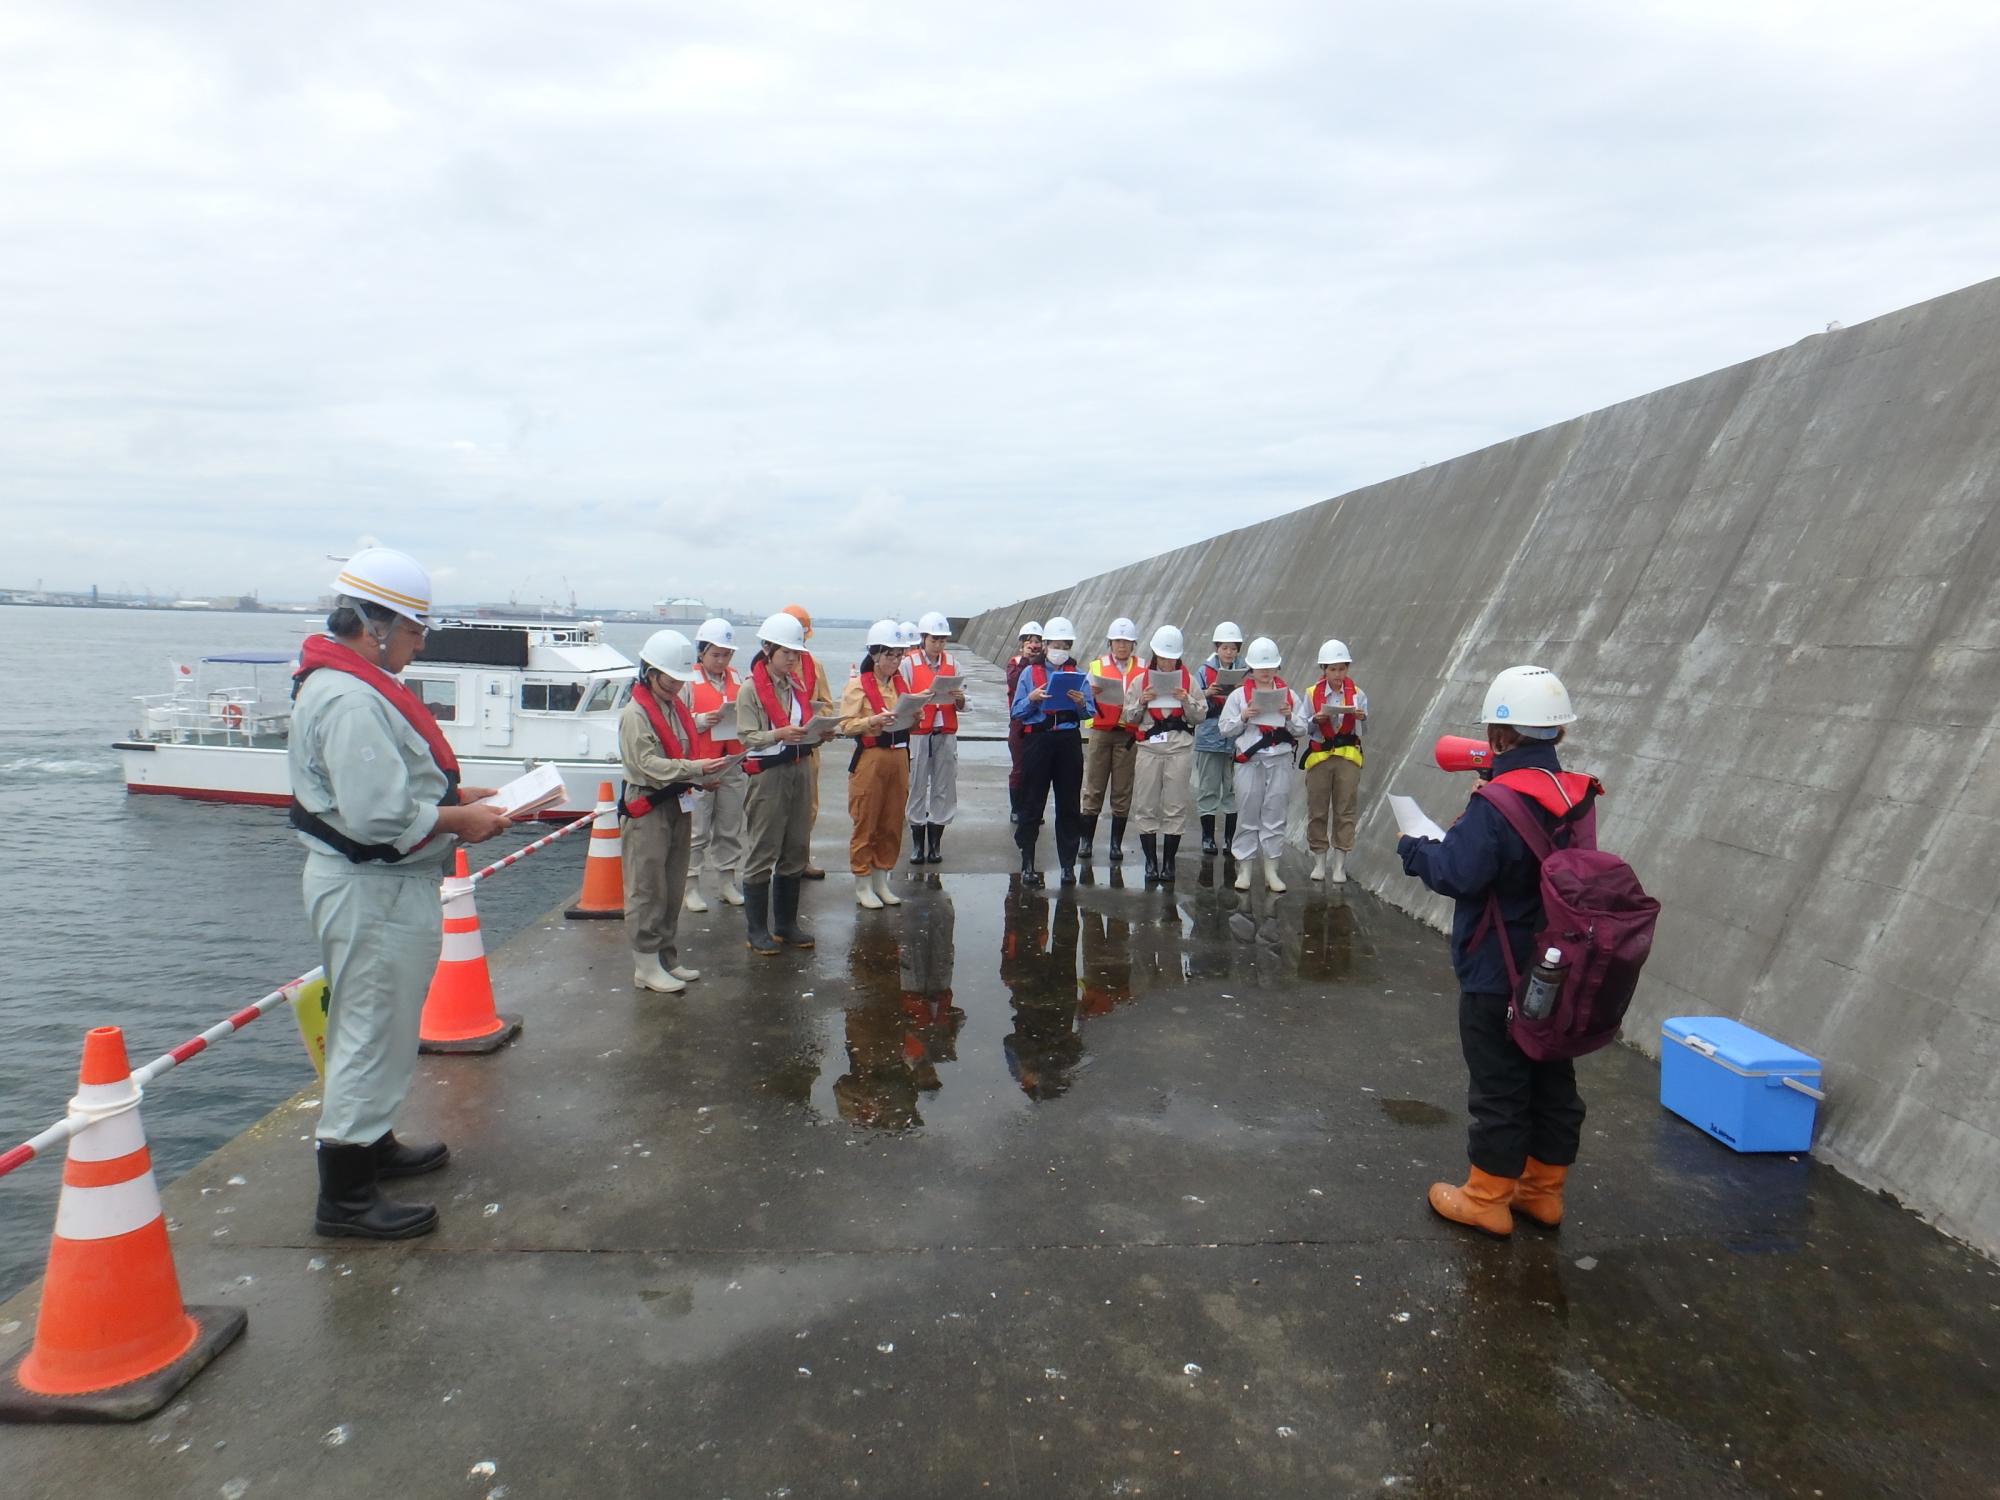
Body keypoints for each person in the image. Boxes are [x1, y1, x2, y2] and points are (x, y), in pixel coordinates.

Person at [288, 547, 514, 1240]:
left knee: (382, 1026)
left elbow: (389, 790)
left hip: (380, 886)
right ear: (374, 626)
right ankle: (347, 1197)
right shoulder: (351, 696)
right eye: (416, 630)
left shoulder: (350, 683)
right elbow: (378, 816)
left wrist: (451, 796)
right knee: (370, 1027)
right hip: (371, 888)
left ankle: (371, 1142)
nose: (421, 644)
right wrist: (460, 819)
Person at [1396, 665, 1595, 1237]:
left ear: (1498, 735)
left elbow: (1459, 873)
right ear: (1556, 733)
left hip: (1497, 967)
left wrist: (1415, 847)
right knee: (1553, 1078)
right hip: (1558, 966)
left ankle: (1486, 1197)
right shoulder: (1576, 794)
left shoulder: (1498, 802)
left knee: (1499, 1084)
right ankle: (1542, 1193)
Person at [621, 629, 731, 993]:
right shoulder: (636, 714)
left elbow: (680, 757)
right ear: (650, 673)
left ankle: (666, 957)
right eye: (670, 679)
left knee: (671, 884)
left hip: (677, 801)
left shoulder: (672, 706)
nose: (675, 686)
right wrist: (697, 769)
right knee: (647, 886)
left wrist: (701, 777)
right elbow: (648, 764)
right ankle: (645, 964)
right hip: (648, 806)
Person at [737, 612, 821, 954]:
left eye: (796, 653)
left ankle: (786, 924)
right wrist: (778, 733)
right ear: (767, 649)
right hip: (769, 773)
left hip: (799, 767)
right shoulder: (749, 690)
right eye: (786, 652)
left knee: (796, 846)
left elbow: (803, 725)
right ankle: (757, 929)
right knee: (763, 849)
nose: (792, 658)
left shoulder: (795, 686)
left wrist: (820, 732)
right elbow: (746, 737)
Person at [1216, 636, 1308, 894]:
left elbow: (1302, 728)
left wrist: (1289, 716)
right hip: (1250, 762)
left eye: (1270, 667)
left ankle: (1272, 870)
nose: (1266, 672)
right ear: (1252, 669)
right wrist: (1243, 716)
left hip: (1279, 759)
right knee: (1247, 813)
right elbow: (1224, 728)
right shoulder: (1238, 696)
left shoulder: (1289, 695)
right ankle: (1244, 868)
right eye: (1261, 667)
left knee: (1275, 815)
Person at [1011, 615, 1095, 887]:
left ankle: (1067, 866)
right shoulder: (1028, 674)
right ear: (1045, 645)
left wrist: (1082, 704)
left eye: (1066, 645)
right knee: (1032, 802)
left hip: (1068, 740)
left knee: (1069, 804)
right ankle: (1027, 862)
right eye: (1056, 644)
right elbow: (1017, 711)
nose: (1061, 650)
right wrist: (1032, 699)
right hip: (1038, 741)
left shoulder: (1078, 675)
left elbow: (1089, 713)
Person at [1121, 625, 1205, 885]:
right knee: (1145, 805)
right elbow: (1128, 717)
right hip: (1149, 749)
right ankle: (1150, 861)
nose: (1167, 663)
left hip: (1179, 749)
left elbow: (1200, 715)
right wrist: (1142, 701)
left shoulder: (1189, 682)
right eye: (1163, 658)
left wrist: (1186, 699)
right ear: (1155, 656)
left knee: (1175, 806)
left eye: (1171, 658)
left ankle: (1169, 863)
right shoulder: (1139, 681)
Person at [840, 620, 913, 910]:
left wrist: (914, 715)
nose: (894, 662)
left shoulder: (900, 685)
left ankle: (882, 877)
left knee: (893, 821)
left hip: (899, 756)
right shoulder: (857, 686)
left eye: (899, 656)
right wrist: (871, 721)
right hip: (871, 757)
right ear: (874, 655)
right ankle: (862, 880)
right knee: (866, 819)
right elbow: (845, 725)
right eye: (889, 655)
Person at [684, 617, 747, 913]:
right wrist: (698, 721)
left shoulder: (737, 679)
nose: (721, 661)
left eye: (726, 655)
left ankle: (726, 882)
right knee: (697, 830)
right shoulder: (687, 681)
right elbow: (675, 722)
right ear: (701, 653)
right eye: (716, 654)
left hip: (732, 762)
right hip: (700, 765)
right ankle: (691, 886)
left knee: (730, 826)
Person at [1302, 639, 1369, 884]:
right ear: (1324, 670)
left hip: (1348, 756)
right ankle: (1320, 861)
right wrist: (1316, 719)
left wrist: (1360, 717)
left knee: (1345, 809)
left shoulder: (1358, 694)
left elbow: (1364, 729)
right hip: (1320, 756)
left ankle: (1340, 865)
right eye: (1333, 669)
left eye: (1342, 668)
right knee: (1317, 809)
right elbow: (1302, 725)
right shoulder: (1311, 693)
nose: (1338, 674)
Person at [903, 610, 966, 866]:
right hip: (919, 732)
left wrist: (960, 699)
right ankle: (918, 844)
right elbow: (902, 699)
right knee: (916, 785)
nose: (938, 645)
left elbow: (964, 700)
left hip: (944, 732)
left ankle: (935, 843)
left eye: (942, 640)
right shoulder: (908, 664)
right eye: (934, 640)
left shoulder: (954, 664)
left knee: (944, 787)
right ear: (923, 639)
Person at [1080, 617, 1143, 864]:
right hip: (1101, 733)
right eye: (1118, 641)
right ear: (1110, 642)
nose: (1122, 646)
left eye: (1127, 642)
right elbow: (1082, 698)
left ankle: (1116, 844)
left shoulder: (1144, 668)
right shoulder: (1097, 667)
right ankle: (1086, 841)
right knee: (1093, 786)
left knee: (1122, 789)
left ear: (1134, 644)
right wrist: (1090, 693)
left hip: (1127, 735)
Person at [780, 603, 836, 880]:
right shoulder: (766, 668)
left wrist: (821, 724)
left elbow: (826, 703)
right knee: (777, 807)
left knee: (807, 805)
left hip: (808, 747)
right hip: (776, 748)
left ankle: (801, 858)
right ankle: (775, 860)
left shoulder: (814, 665)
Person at [1193, 622, 1245, 856]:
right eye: (1225, 647)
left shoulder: (1245, 670)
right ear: (1217, 647)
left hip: (1236, 738)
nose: (1229, 652)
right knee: (1209, 787)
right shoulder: (1204, 672)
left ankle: (1229, 839)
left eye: (1233, 648)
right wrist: (1206, 693)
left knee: (1233, 789)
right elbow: (1193, 701)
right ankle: (1207, 838)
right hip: (1210, 735)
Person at [1005, 622, 1044, 824]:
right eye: (1030, 642)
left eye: (1038, 642)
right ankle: (1016, 808)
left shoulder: (1045, 665)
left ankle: (1034, 808)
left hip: (1039, 723)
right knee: (1019, 766)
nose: (1034, 646)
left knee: (1038, 768)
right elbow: (1014, 682)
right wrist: (1026, 661)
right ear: (1022, 644)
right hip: (1019, 722)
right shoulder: (1015, 663)